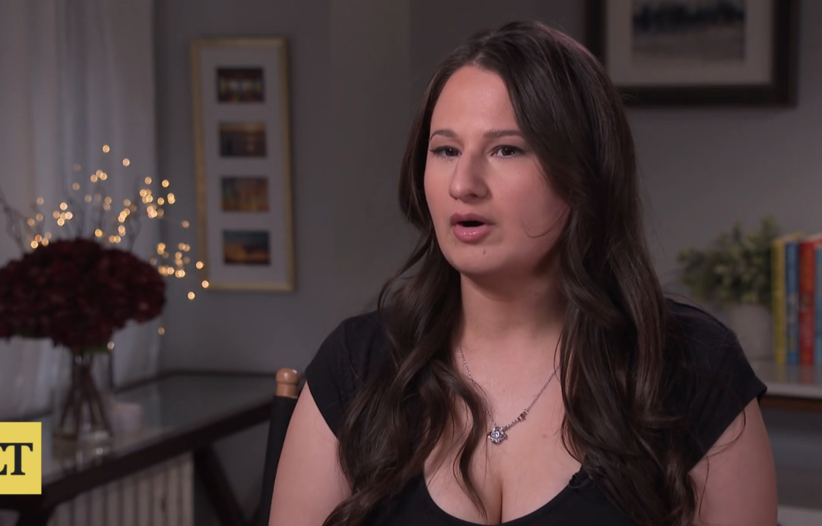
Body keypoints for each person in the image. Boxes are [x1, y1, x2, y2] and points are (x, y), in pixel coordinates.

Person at [270, 20, 777, 526]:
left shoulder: (691, 367)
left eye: (506, 150)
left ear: (584, 173)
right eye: (446, 150)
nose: (463, 184)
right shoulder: (357, 366)